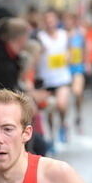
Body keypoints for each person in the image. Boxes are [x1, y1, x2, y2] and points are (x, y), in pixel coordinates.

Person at [35, 10, 72, 146]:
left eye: (52, 20)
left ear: (57, 21)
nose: (50, 23)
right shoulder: (40, 37)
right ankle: (52, 135)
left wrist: (68, 56)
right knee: (50, 109)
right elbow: (36, 55)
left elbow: (69, 51)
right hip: (46, 79)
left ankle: (63, 124)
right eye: (47, 21)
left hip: (62, 77)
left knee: (61, 104)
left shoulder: (64, 35)